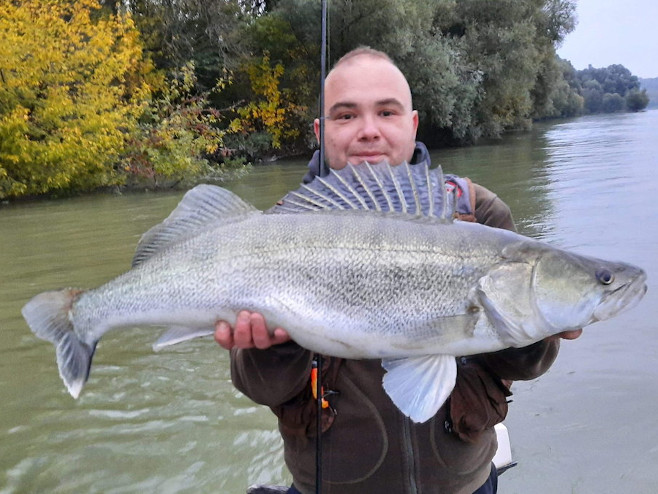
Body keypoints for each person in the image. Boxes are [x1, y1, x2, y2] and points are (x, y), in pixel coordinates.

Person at [215, 47, 581, 494]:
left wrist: (535, 330)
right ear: (320, 131)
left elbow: (525, 366)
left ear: (411, 124)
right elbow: (260, 387)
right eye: (345, 116)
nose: (368, 131)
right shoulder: (273, 232)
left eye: (386, 112)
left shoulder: (479, 214)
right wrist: (272, 348)